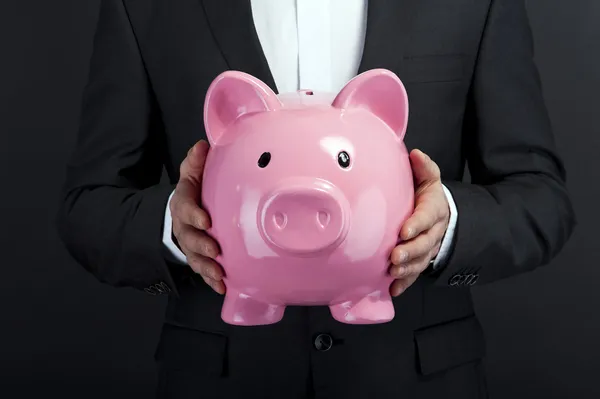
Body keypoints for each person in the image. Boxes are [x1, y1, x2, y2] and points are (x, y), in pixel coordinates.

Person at [56, 0, 576, 398]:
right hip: (223, 377)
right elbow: (89, 207)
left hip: (416, 378)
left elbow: (540, 198)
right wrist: (174, 229)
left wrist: (448, 227)